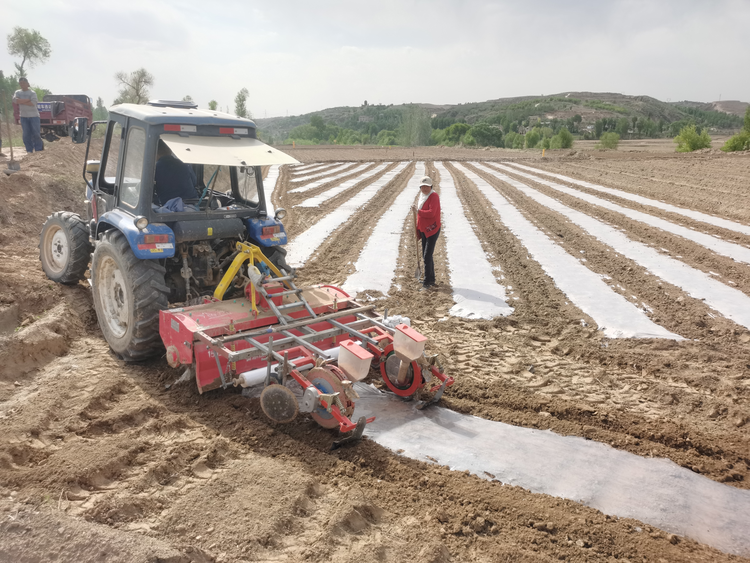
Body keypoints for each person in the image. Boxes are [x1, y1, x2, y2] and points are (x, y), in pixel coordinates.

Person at [411, 175, 441, 290]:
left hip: (432, 229)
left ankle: (428, 282)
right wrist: (418, 229)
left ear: (431, 186)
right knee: (426, 255)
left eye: (426, 187)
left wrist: (418, 211)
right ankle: (431, 279)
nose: (424, 189)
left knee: (427, 256)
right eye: (422, 187)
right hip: (424, 229)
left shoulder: (434, 196)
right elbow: (420, 214)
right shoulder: (422, 196)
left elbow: (431, 213)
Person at [154, 138, 198, 205]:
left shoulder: (155, 168)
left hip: (168, 206)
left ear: (155, 152)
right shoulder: (185, 164)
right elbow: (194, 182)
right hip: (191, 204)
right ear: (170, 150)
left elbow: (148, 188)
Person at [12, 77, 44, 153]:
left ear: (27, 84)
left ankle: (38, 150)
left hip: (34, 116)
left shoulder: (32, 93)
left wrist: (20, 101)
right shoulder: (17, 92)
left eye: (23, 83)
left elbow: (33, 103)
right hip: (23, 116)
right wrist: (27, 100)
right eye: (20, 83)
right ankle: (29, 150)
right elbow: (15, 100)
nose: (22, 84)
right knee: (26, 134)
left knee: (36, 133)